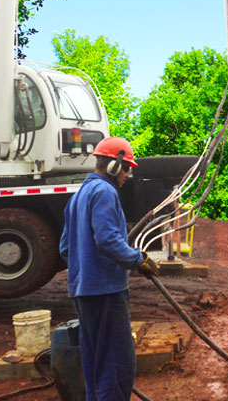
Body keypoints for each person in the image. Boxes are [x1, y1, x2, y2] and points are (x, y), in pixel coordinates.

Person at [59, 136, 159, 401]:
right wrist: (139, 260)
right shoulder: (104, 192)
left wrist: (86, 267)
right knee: (118, 366)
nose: (127, 175)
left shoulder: (78, 195)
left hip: (83, 293)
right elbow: (107, 239)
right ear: (114, 166)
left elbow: (65, 249)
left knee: (96, 365)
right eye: (126, 168)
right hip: (106, 293)